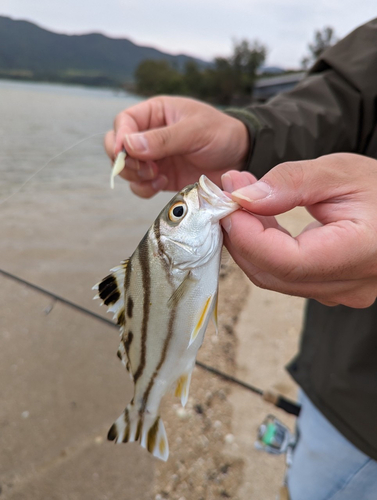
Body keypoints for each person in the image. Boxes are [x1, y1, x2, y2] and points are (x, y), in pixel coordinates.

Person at [104, 18, 377, 500]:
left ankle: (143, 410)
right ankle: (144, 410)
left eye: (179, 210)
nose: (191, 200)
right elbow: (343, 98)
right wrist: (247, 135)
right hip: (339, 381)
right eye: (182, 210)